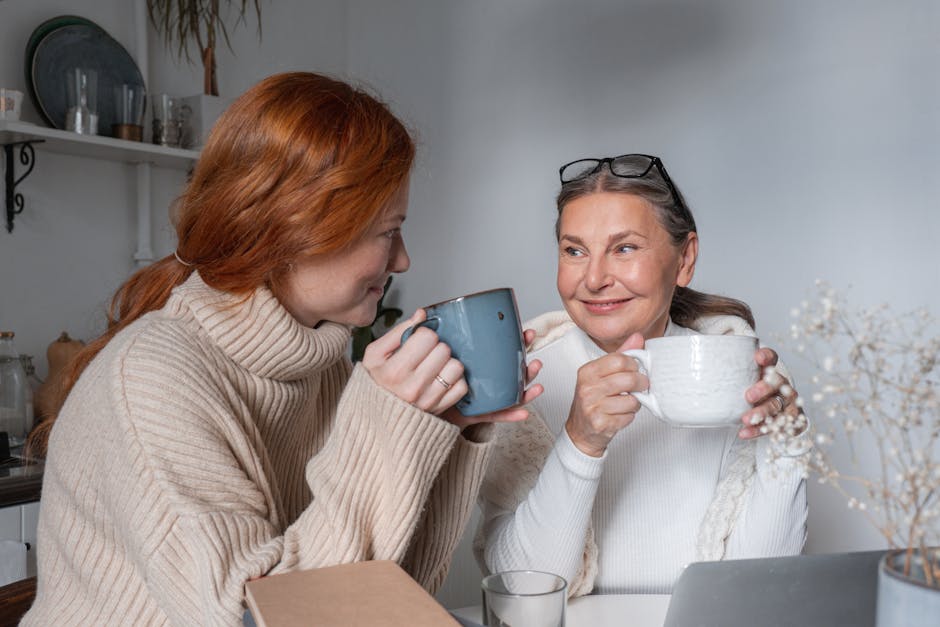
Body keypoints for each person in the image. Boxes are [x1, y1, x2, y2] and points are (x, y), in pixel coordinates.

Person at [22, 72, 541, 626]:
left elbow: (380, 593)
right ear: (296, 230)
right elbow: (253, 618)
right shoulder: (153, 379)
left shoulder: (319, 367)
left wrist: (443, 428)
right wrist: (381, 426)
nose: (403, 260)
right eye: (388, 231)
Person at [474, 154, 809, 596]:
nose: (593, 278)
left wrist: (783, 449)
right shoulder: (527, 382)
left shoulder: (742, 378)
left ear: (684, 259)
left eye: (624, 248)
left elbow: (760, 589)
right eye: (574, 251)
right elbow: (522, 591)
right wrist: (580, 442)